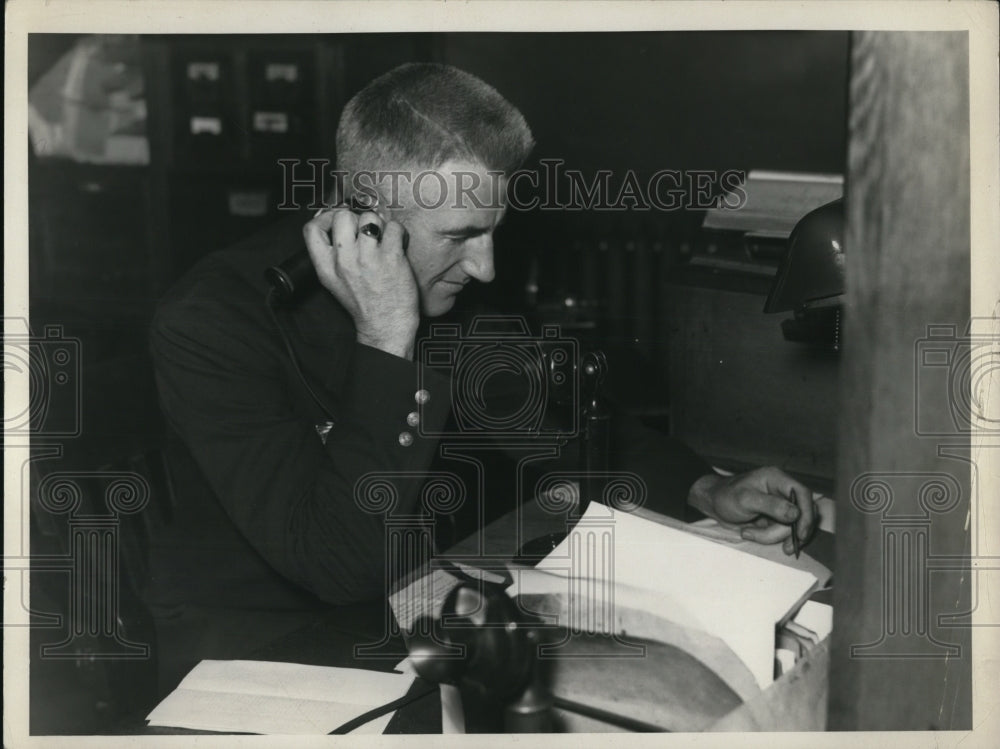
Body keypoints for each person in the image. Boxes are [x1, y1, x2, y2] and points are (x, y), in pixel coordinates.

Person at [148, 63, 817, 669]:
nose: (487, 266)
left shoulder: (445, 296)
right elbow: (334, 563)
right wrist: (386, 338)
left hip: (407, 605)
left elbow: (561, 429)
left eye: (493, 230)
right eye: (463, 236)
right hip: (262, 656)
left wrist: (707, 489)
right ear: (368, 220)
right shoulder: (211, 324)